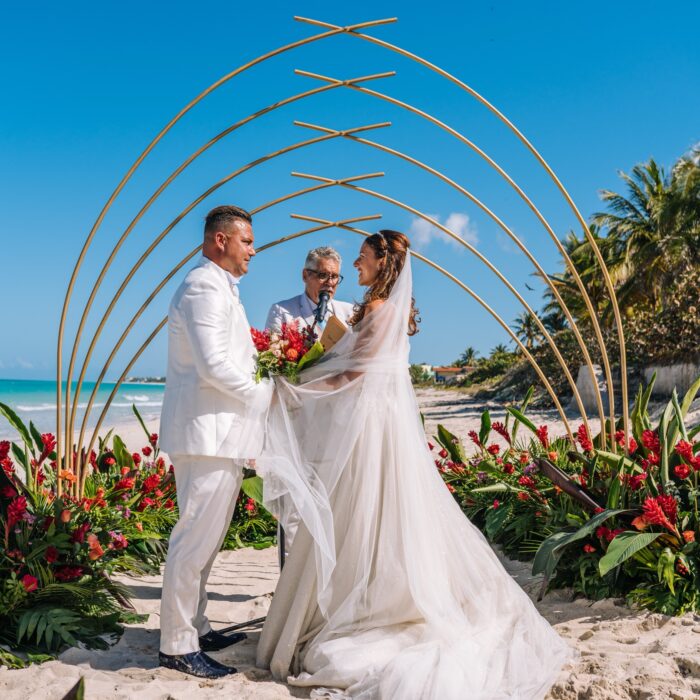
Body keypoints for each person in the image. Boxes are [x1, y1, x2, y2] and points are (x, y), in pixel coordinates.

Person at [255, 230, 573, 698]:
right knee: (372, 515)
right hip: (377, 423)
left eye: (361, 260)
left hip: (370, 429)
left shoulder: (381, 309)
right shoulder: (383, 309)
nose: (354, 269)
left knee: (362, 511)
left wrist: (297, 388)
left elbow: (355, 373)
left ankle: (366, 606)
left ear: (382, 264)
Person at [158, 205, 273, 679]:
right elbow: (213, 366)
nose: (253, 249)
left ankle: (197, 625)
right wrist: (268, 395)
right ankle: (176, 644)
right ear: (220, 240)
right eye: (246, 241)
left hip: (222, 433)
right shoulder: (203, 285)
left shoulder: (225, 288)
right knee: (192, 540)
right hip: (206, 433)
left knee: (206, 541)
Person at [265, 246, 353, 334]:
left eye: (334, 276)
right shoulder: (281, 311)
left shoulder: (350, 312)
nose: (329, 282)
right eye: (322, 275)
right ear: (305, 275)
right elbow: (273, 346)